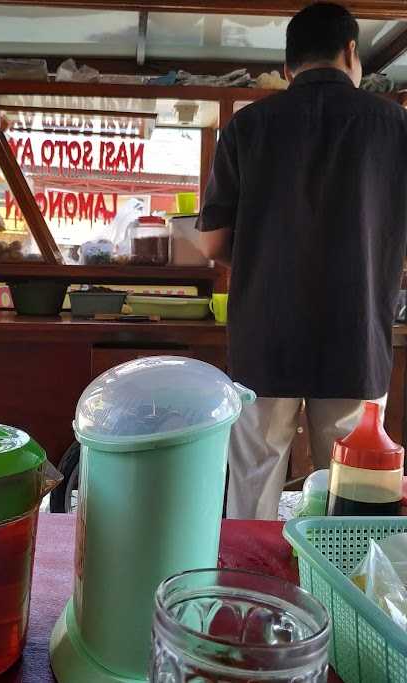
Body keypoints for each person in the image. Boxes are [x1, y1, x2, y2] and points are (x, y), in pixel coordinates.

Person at [197, 2, 407, 519]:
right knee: (351, 485)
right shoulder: (396, 126)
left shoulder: (248, 126)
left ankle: (249, 589)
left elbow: (212, 243)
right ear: (351, 52)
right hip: (355, 336)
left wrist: (263, 260)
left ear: (289, 66)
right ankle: (340, 590)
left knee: (253, 477)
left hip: (264, 337)